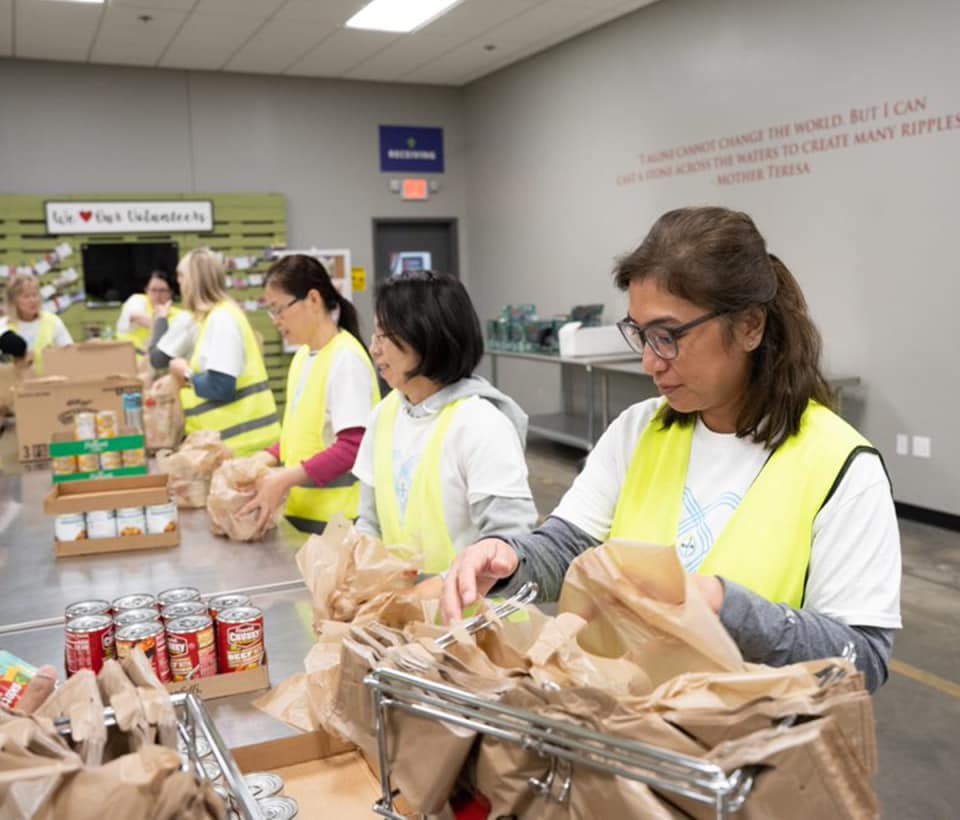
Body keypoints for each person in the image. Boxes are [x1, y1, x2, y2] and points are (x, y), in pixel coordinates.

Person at [441, 207, 901, 692]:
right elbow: (569, 546)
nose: (648, 361)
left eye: (668, 336)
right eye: (641, 334)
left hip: (748, 758)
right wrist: (512, 559)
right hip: (624, 738)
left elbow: (862, 659)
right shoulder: (638, 431)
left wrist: (724, 607)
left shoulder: (840, 466)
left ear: (750, 326)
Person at [352, 271, 538, 574]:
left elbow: (509, 542)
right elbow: (369, 521)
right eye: (375, 336)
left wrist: (445, 588)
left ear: (426, 335)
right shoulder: (383, 415)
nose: (375, 349)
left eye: (384, 335)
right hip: (399, 612)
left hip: (471, 616)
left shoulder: (480, 423)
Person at [239, 254, 380, 534]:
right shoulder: (304, 357)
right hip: (304, 520)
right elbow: (303, 434)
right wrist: (265, 457)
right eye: (272, 312)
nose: (276, 321)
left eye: (280, 309)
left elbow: (352, 446)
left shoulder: (346, 360)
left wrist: (283, 480)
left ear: (313, 300)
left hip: (340, 524)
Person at [164, 248, 280, 457]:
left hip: (244, 448)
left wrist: (185, 373)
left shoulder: (222, 319)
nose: (179, 283)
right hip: (232, 448)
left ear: (194, 280)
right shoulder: (212, 318)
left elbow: (221, 386)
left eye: (181, 276)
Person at [0, 274, 73, 374]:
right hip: (13, 386)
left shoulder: (53, 321)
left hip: (49, 385)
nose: (32, 300)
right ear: (14, 301)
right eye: (26, 296)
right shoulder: (3, 325)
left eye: (35, 295)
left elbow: (70, 356)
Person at [115, 270, 182, 358]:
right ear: (146, 290)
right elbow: (137, 316)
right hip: (127, 359)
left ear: (170, 292)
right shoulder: (137, 300)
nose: (158, 295)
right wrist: (161, 328)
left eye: (163, 290)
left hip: (157, 363)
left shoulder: (178, 314)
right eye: (153, 290)